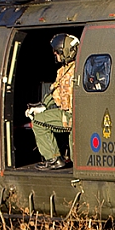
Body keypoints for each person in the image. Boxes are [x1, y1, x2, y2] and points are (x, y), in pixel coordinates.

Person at [30, 33, 79, 170]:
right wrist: (43, 105)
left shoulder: (76, 70)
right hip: (70, 115)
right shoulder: (64, 71)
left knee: (38, 122)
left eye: (58, 52)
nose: (56, 55)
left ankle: (53, 158)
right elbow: (55, 91)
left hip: (72, 116)